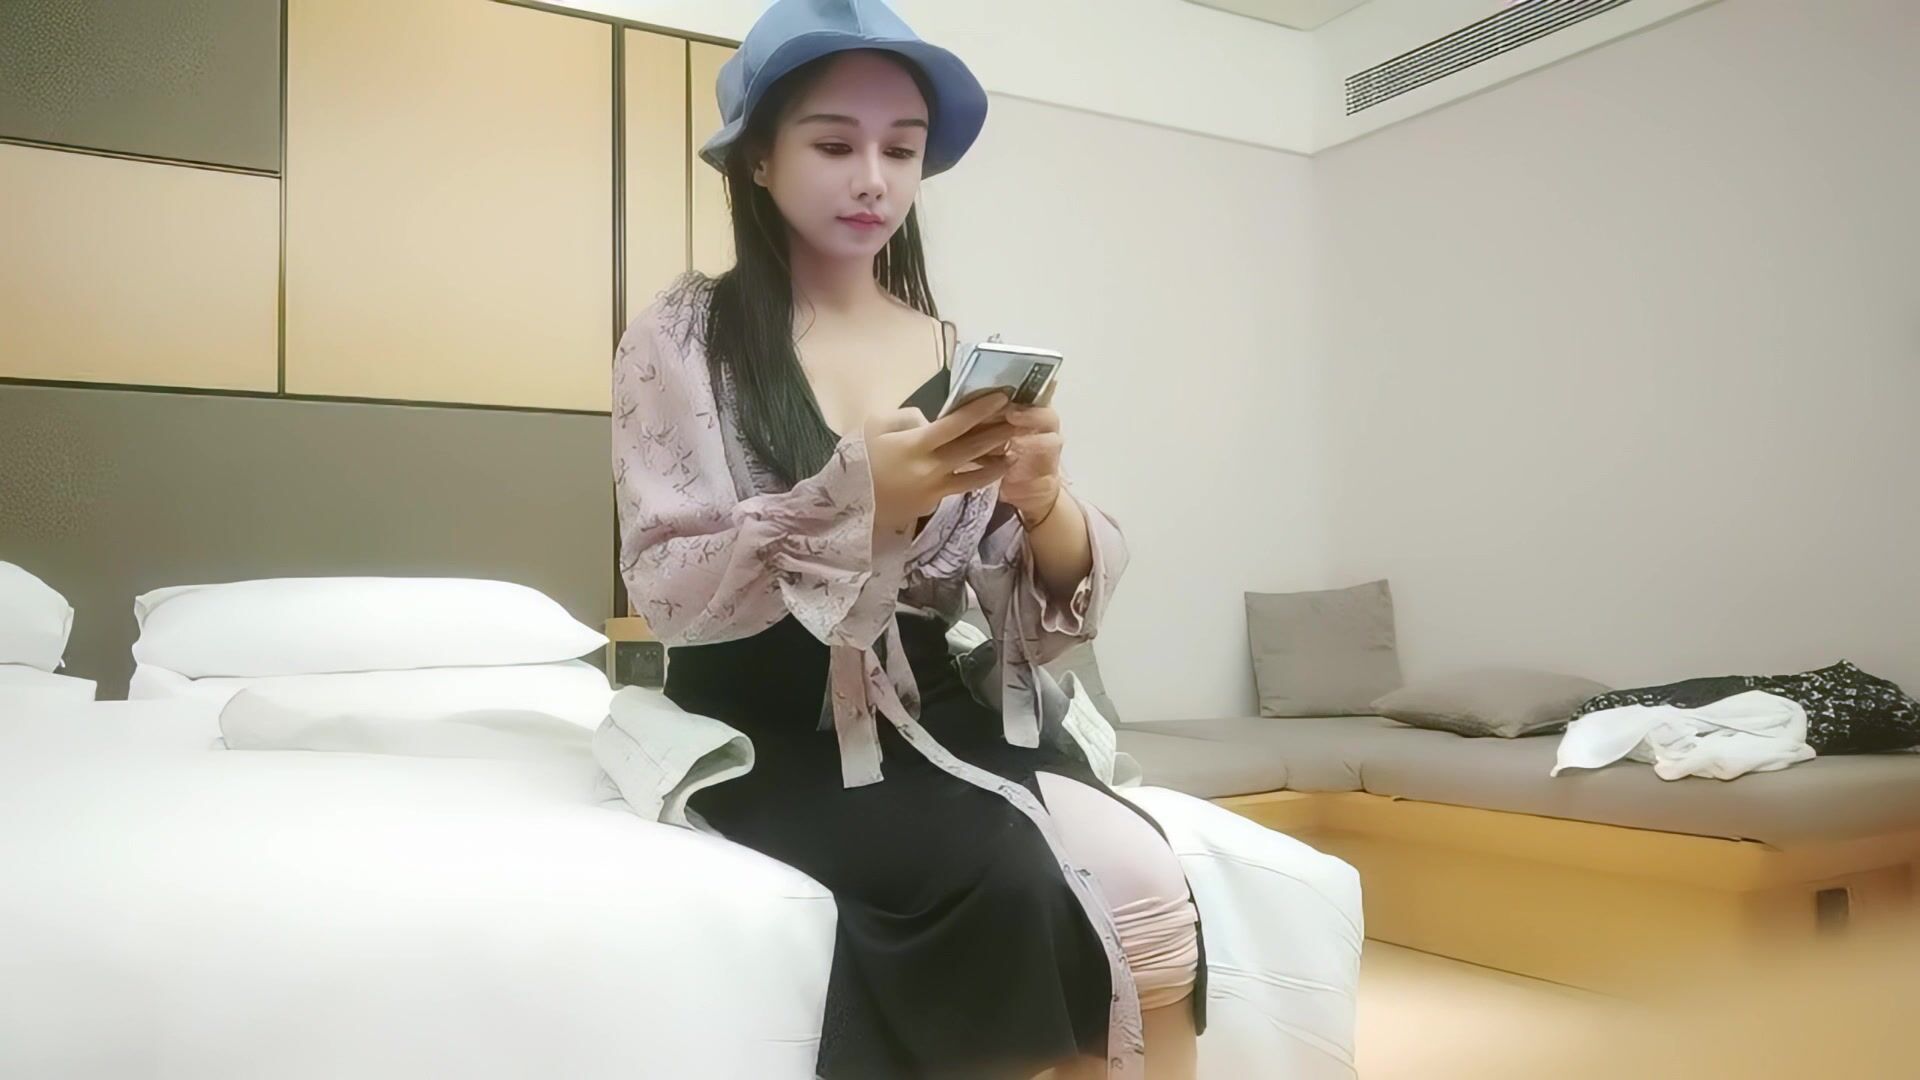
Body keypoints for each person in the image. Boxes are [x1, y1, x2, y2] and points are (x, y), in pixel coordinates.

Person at [611, 3, 1204, 1077]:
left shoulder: (955, 350)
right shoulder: (685, 335)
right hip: (768, 720)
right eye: (834, 144)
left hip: (935, 707)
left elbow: (1025, 613)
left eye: (901, 149)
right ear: (758, 158)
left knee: (1153, 885)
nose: (873, 179)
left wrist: (1045, 501)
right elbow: (667, 587)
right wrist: (859, 502)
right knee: (1009, 879)